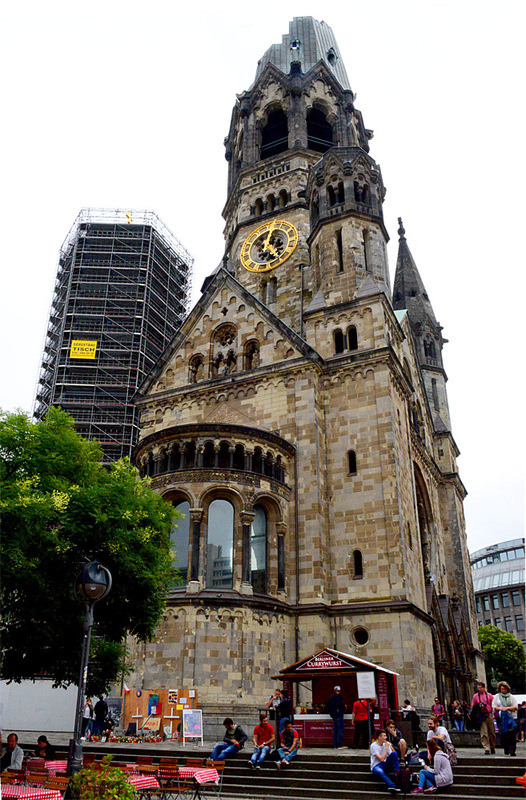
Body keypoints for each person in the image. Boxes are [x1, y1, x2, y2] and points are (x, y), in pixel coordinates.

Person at [369, 729, 401, 794]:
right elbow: (381, 759)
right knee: (380, 771)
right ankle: (392, 786)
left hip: (385, 764)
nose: (386, 737)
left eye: (386, 736)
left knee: (394, 753)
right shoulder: (373, 746)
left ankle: (397, 775)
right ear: (379, 737)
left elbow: (392, 755)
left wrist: (391, 747)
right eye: (384, 736)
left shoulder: (386, 744)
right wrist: (386, 748)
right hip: (376, 765)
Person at [492, 680, 518, 756]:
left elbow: (515, 706)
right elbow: (493, 706)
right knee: (503, 734)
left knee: (512, 734)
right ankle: (506, 748)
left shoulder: (511, 696)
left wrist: (508, 708)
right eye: (502, 689)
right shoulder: (497, 696)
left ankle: (512, 750)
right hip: (501, 718)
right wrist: (501, 709)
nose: (503, 690)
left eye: (505, 689)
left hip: (511, 717)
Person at [470, 680, 495, 754]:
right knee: (484, 733)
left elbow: (493, 705)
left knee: (492, 732)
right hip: (481, 715)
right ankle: (486, 748)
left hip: (489, 714)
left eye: (480, 688)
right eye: (478, 688)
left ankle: (492, 746)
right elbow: (473, 706)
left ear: (484, 688)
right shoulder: (475, 696)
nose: (479, 689)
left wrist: (493, 713)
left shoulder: (489, 696)